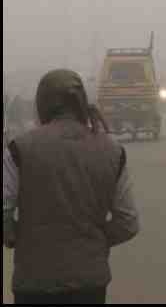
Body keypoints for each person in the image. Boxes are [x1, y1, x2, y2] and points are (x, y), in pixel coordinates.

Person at [2, 69, 140, 305]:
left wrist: (16, 237)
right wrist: (93, 241)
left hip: (34, 282)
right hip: (90, 283)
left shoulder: (20, 149)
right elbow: (128, 221)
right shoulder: (113, 151)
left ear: (42, 103)